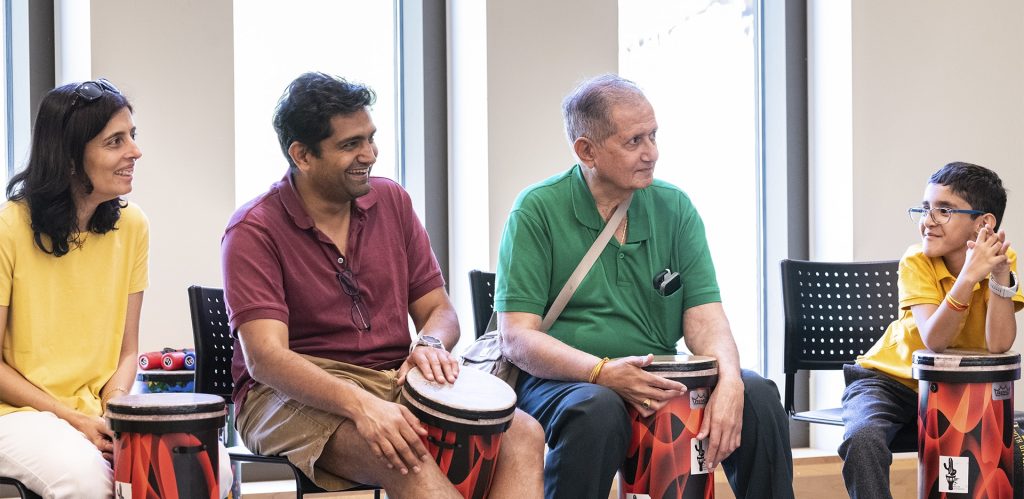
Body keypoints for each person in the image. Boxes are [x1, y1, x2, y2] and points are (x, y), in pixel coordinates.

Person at [221, 72, 544, 497]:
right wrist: (362, 405)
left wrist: (428, 345)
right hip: (284, 392)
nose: (369, 154)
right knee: (406, 452)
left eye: (370, 138)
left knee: (523, 434)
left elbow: (439, 312)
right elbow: (267, 359)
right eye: (350, 144)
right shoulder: (253, 230)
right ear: (302, 154)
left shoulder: (392, 201)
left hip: (391, 378)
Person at [495, 73, 795, 499]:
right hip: (564, 378)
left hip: (658, 375)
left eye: (653, 135)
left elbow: (706, 319)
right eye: (634, 141)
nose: (652, 153)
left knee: (759, 396)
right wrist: (601, 372)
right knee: (597, 409)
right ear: (586, 150)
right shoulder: (536, 209)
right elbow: (517, 337)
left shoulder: (675, 207)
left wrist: (729, 381)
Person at [840, 162, 1023, 499]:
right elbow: (935, 341)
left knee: (1018, 440)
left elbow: (998, 345)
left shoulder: (1002, 258)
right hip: (889, 382)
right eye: (925, 209)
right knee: (862, 438)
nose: (928, 221)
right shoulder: (916, 260)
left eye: (944, 210)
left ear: (984, 223)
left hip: (957, 389)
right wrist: (968, 277)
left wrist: (998, 276)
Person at [0, 80, 146, 497]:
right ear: (68, 157)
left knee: (209, 463)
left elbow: (127, 350)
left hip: (95, 410)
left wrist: (116, 408)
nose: (134, 152)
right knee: (87, 480)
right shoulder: (8, 228)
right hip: (15, 413)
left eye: (132, 136)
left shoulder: (133, 225)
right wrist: (74, 419)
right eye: (115, 141)